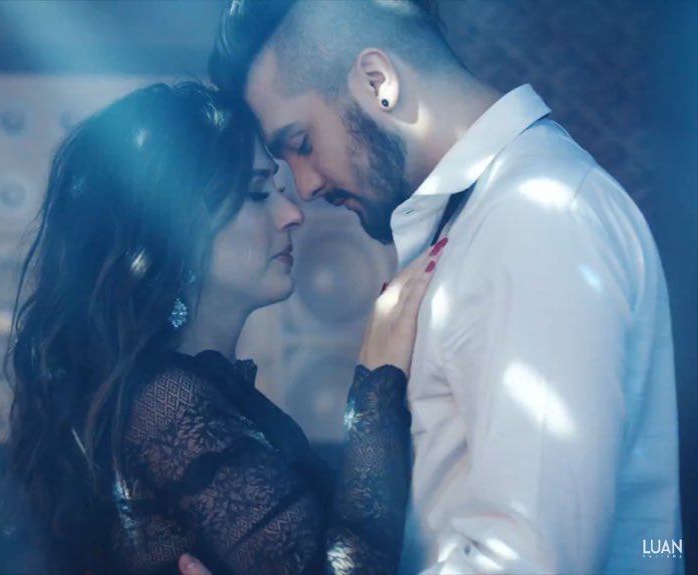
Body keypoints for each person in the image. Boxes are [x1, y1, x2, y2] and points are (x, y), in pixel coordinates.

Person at [199, 1, 683, 574]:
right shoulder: (489, 216)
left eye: (301, 142)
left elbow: (529, 561)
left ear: (378, 82)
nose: (303, 188)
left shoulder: (535, 218)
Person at [0, 81, 444, 574]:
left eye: (278, 190)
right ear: (171, 225)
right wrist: (377, 380)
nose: (292, 213)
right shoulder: (165, 402)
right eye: (257, 193)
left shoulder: (185, 392)